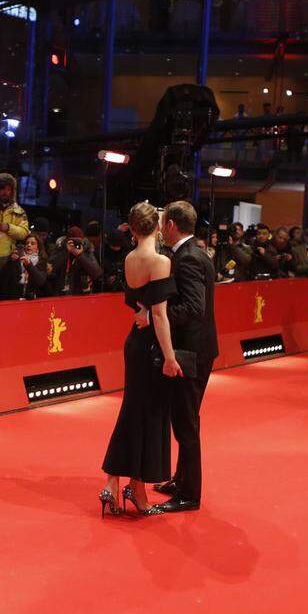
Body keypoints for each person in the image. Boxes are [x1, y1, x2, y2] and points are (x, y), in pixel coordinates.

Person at [100, 202, 182, 517]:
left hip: (134, 344)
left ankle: (115, 483)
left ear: (132, 230)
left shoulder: (129, 258)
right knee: (148, 416)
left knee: (134, 413)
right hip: (152, 347)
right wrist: (171, 357)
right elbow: (160, 315)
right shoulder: (159, 261)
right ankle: (133, 489)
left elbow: (138, 307)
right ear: (159, 227)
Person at [149, 200, 219, 513]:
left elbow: (194, 309)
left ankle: (190, 493)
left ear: (172, 225)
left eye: (162, 222)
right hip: (198, 348)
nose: (160, 227)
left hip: (191, 351)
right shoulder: (195, 254)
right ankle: (181, 480)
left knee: (186, 423)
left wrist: (157, 314)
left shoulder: (188, 259)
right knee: (184, 419)